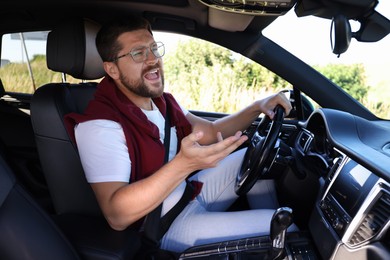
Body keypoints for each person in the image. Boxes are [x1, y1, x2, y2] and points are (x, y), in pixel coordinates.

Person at [65, 15, 294, 253]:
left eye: (154, 48)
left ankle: (270, 246)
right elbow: (116, 215)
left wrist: (257, 107)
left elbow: (212, 131)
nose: (153, 59)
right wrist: (183, 164)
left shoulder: (161, 102)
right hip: (164, 225)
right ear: (112, 69)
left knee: (261, 159)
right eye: (138, 53)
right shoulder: (101, 124)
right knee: (290, 229)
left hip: (188, 194)